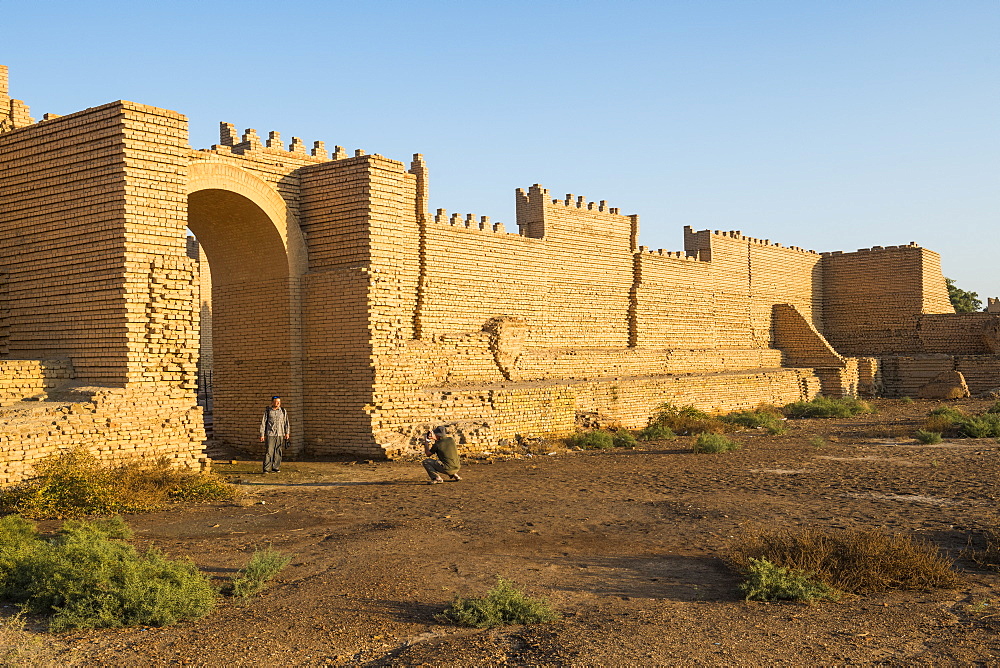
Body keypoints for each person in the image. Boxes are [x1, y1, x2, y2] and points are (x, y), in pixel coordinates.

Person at [259, 396, 290, 473]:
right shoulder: (268, 411)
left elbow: (286, 422)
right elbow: (263, 423)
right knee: (269, 451)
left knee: (278, 451)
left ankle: (276, 467)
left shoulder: (283, 411)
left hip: (280, 434)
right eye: (276, 401)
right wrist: (262, 434)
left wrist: (287, 433)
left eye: (279, 401)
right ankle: (266, 468)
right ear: (272, 402)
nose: (278, 403)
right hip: (270, 434)